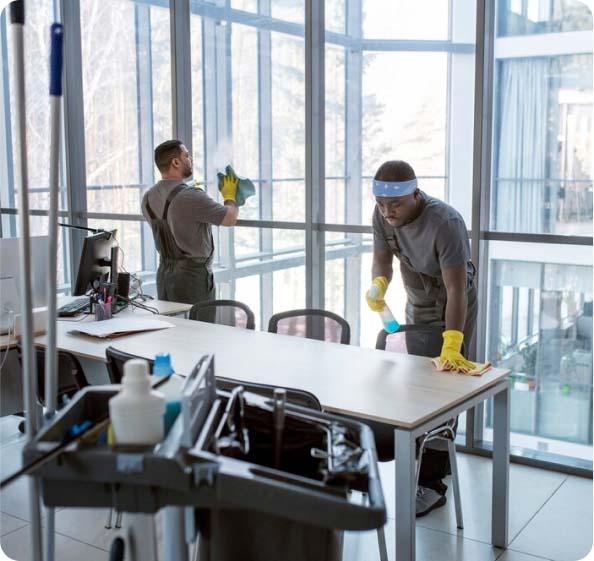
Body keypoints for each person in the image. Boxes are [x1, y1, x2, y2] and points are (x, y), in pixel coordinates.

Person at [366, 159, 478, 516]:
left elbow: (457, 289)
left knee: (444, 389)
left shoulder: (445, 222)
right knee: (418, 386)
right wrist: (379, 284)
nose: (387, 212)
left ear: (415, 194)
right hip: (418, 299)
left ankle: (433, 484)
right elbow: (382, 259)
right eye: (382, 205)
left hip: (453, 301)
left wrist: (452, 341)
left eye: (395, 204)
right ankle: (420, 466)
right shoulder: (382, 214)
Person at [141, 139, 239, 306]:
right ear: (176, 162)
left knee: (172, 326)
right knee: (201, 329)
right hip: (192, 278)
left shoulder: (148, 197)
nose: (190, 159)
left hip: (164, 275)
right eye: (186, 155)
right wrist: (230, 196)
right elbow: (229, 218)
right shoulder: (190, 196)